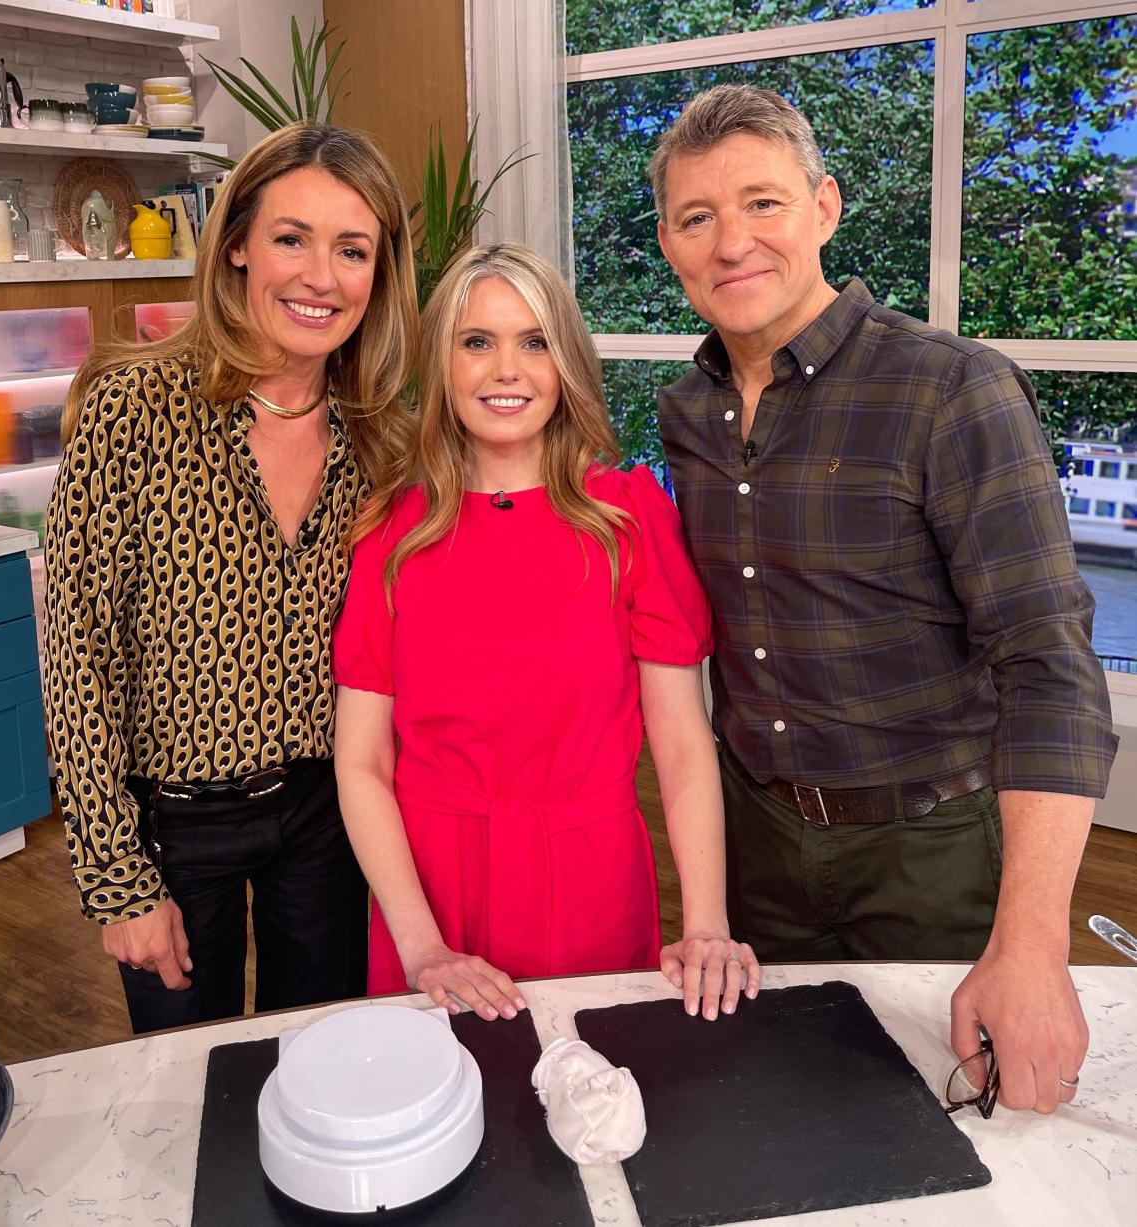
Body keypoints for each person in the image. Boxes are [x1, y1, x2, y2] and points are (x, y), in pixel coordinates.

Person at [651, 84, 1117, 1112]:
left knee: (962, 1125)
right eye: (698, 217)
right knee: (766, 1109)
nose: (732, 242)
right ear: (669, 243)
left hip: (931, 852)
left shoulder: (954, 392)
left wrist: (1033, 946)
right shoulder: (684, 414)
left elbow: (1049, 668)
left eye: (762, 203)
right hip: (756, 837)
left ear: (824, 206)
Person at [42, 123, 418, 1033]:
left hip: (327, 816)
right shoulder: (134, 407)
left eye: (352, 249)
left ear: (380, 272)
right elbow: (73, 654)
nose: (321, 277)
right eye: (292, 238)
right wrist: (116, 878)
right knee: (187, 1084)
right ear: (239, 243)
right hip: (175, 829)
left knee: (322, 1057)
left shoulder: (384, 437)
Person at [333, 242, 760, 1023]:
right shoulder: (391, 535)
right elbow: (361, 759)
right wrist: (421, 943)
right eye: (476, 341)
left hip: (591, 878)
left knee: (594, 1116)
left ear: (565, 361)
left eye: (534, 341)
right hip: (431, 888)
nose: (507, 369)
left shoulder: (627, 521)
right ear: (442, 362)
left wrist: (706, 925)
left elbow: (681, 740)